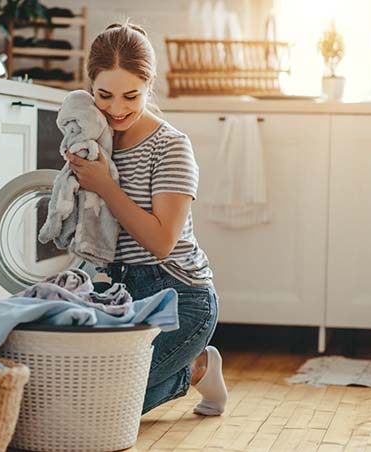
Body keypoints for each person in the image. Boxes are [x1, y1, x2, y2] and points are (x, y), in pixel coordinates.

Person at [66, 21, 228, 416]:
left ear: (149, 84)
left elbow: (160, 243)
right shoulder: (92, 140)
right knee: (69, 394)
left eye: (130, 96)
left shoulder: (170, 147)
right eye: (104, 95)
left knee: (101, 411)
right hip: (120, 294)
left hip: (181, 299)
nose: (117, 109)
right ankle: (181, 369)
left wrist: (105, 185)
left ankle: (195, 367)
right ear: (89, 87)